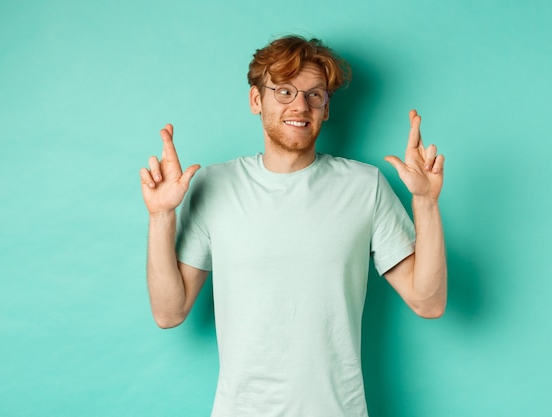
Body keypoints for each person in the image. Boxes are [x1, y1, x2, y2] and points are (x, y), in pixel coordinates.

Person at [140, 35, 446, 417]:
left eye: (315, 94)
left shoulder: (365, 186)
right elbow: (169, 313)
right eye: (284, 91)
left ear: (326, 108)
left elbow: (428, 302)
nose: (300, 105)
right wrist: (160, 216)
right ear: (257, 100)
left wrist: (426, 202)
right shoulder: (214, 185)